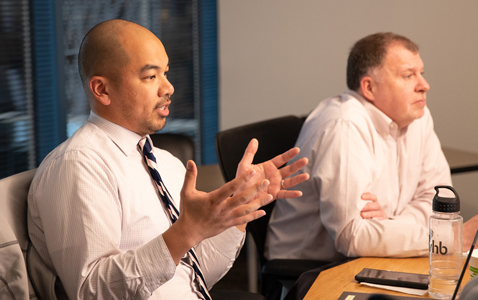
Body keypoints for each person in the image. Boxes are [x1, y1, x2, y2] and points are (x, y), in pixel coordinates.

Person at [27, 19, 309, 299]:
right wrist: (183, 233)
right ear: (102, 89)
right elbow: (92, 292)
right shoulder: (79, 166)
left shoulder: (165, 163)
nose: (169, 87)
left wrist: (239, 210)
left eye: (166, 73)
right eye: (151, 76)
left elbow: (198, 276)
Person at [266, 32, 460, 262]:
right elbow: (352, 236)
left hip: (374, 259)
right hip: (309, 273)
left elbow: (436, 202)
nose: (424, 86)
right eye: (408, 76)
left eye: (422, 74)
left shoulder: (418, 115)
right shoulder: (344, 126)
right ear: (369, 87)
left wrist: (389, 225)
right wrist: (449, 239)